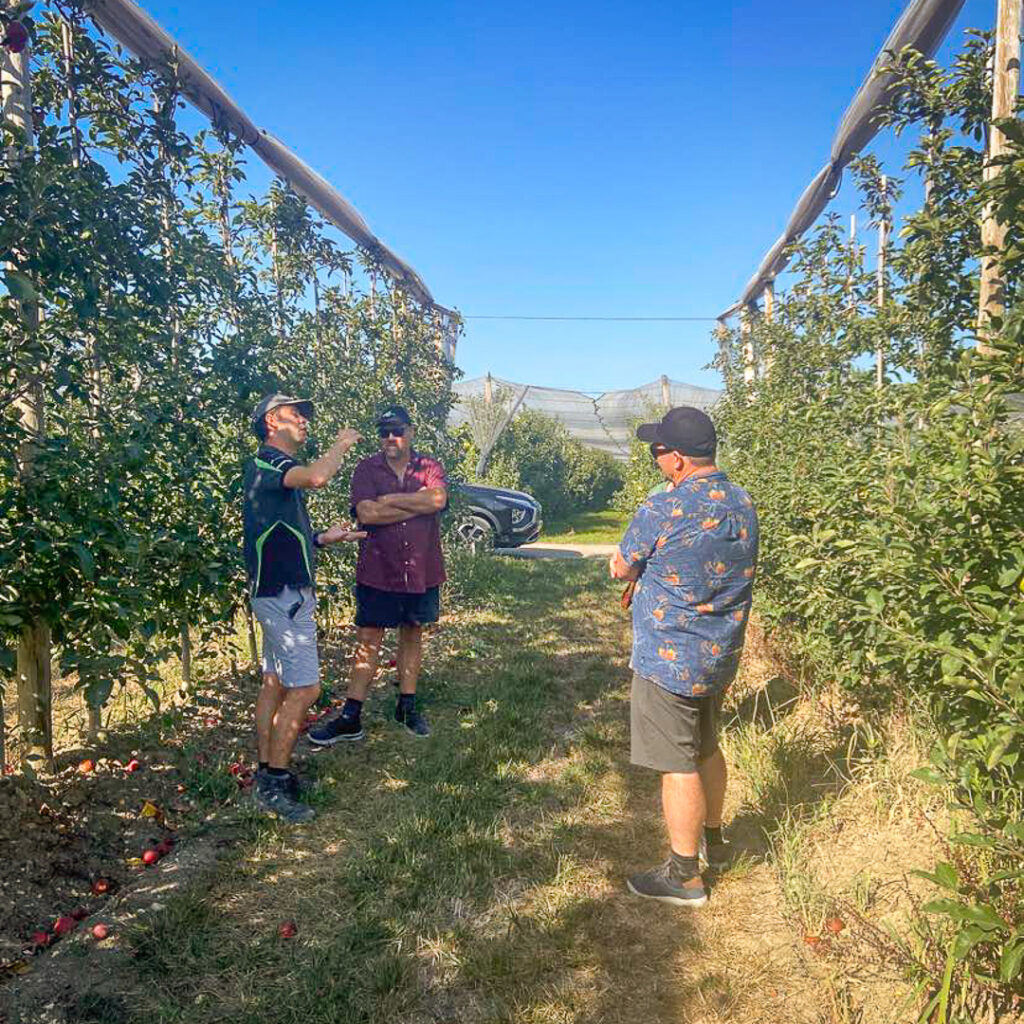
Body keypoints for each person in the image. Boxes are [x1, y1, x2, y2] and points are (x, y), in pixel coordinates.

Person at [609, 406, 758, 907]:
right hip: (719, 651)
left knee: (677, 763)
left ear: (676, 459)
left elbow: (621, 567)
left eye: (657, 451)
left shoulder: (663, 507)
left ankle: (684, 875)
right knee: (707, 745)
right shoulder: (743, 502)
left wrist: (632, 568)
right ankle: (715, 841)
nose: (655, 459)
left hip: (668, 655)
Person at [243, 393, 364, 823]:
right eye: (298, 414)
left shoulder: (270, 473)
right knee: (307, 688)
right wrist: (341, 445)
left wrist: (321, 540)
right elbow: (316, 478)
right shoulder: (269, 464)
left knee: (275, 683)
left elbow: (274, 535)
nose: (306, 421)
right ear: (272, 421)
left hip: (278, 592)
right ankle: (274, 782)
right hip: (285, 597)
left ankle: (266, 774)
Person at [309, 405, 447, 745]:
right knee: (368, 641)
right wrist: (415, 501)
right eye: (384, 432)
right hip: (378, 569)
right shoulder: (365, 469)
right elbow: (367, 513)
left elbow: (438, 500)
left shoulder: (428, 466)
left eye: (396, 430)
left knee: (412, 634)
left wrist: (392, 498)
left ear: (411, 431)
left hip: (421, 569)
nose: (390, 438)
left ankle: (407, 706)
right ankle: (351, 716)